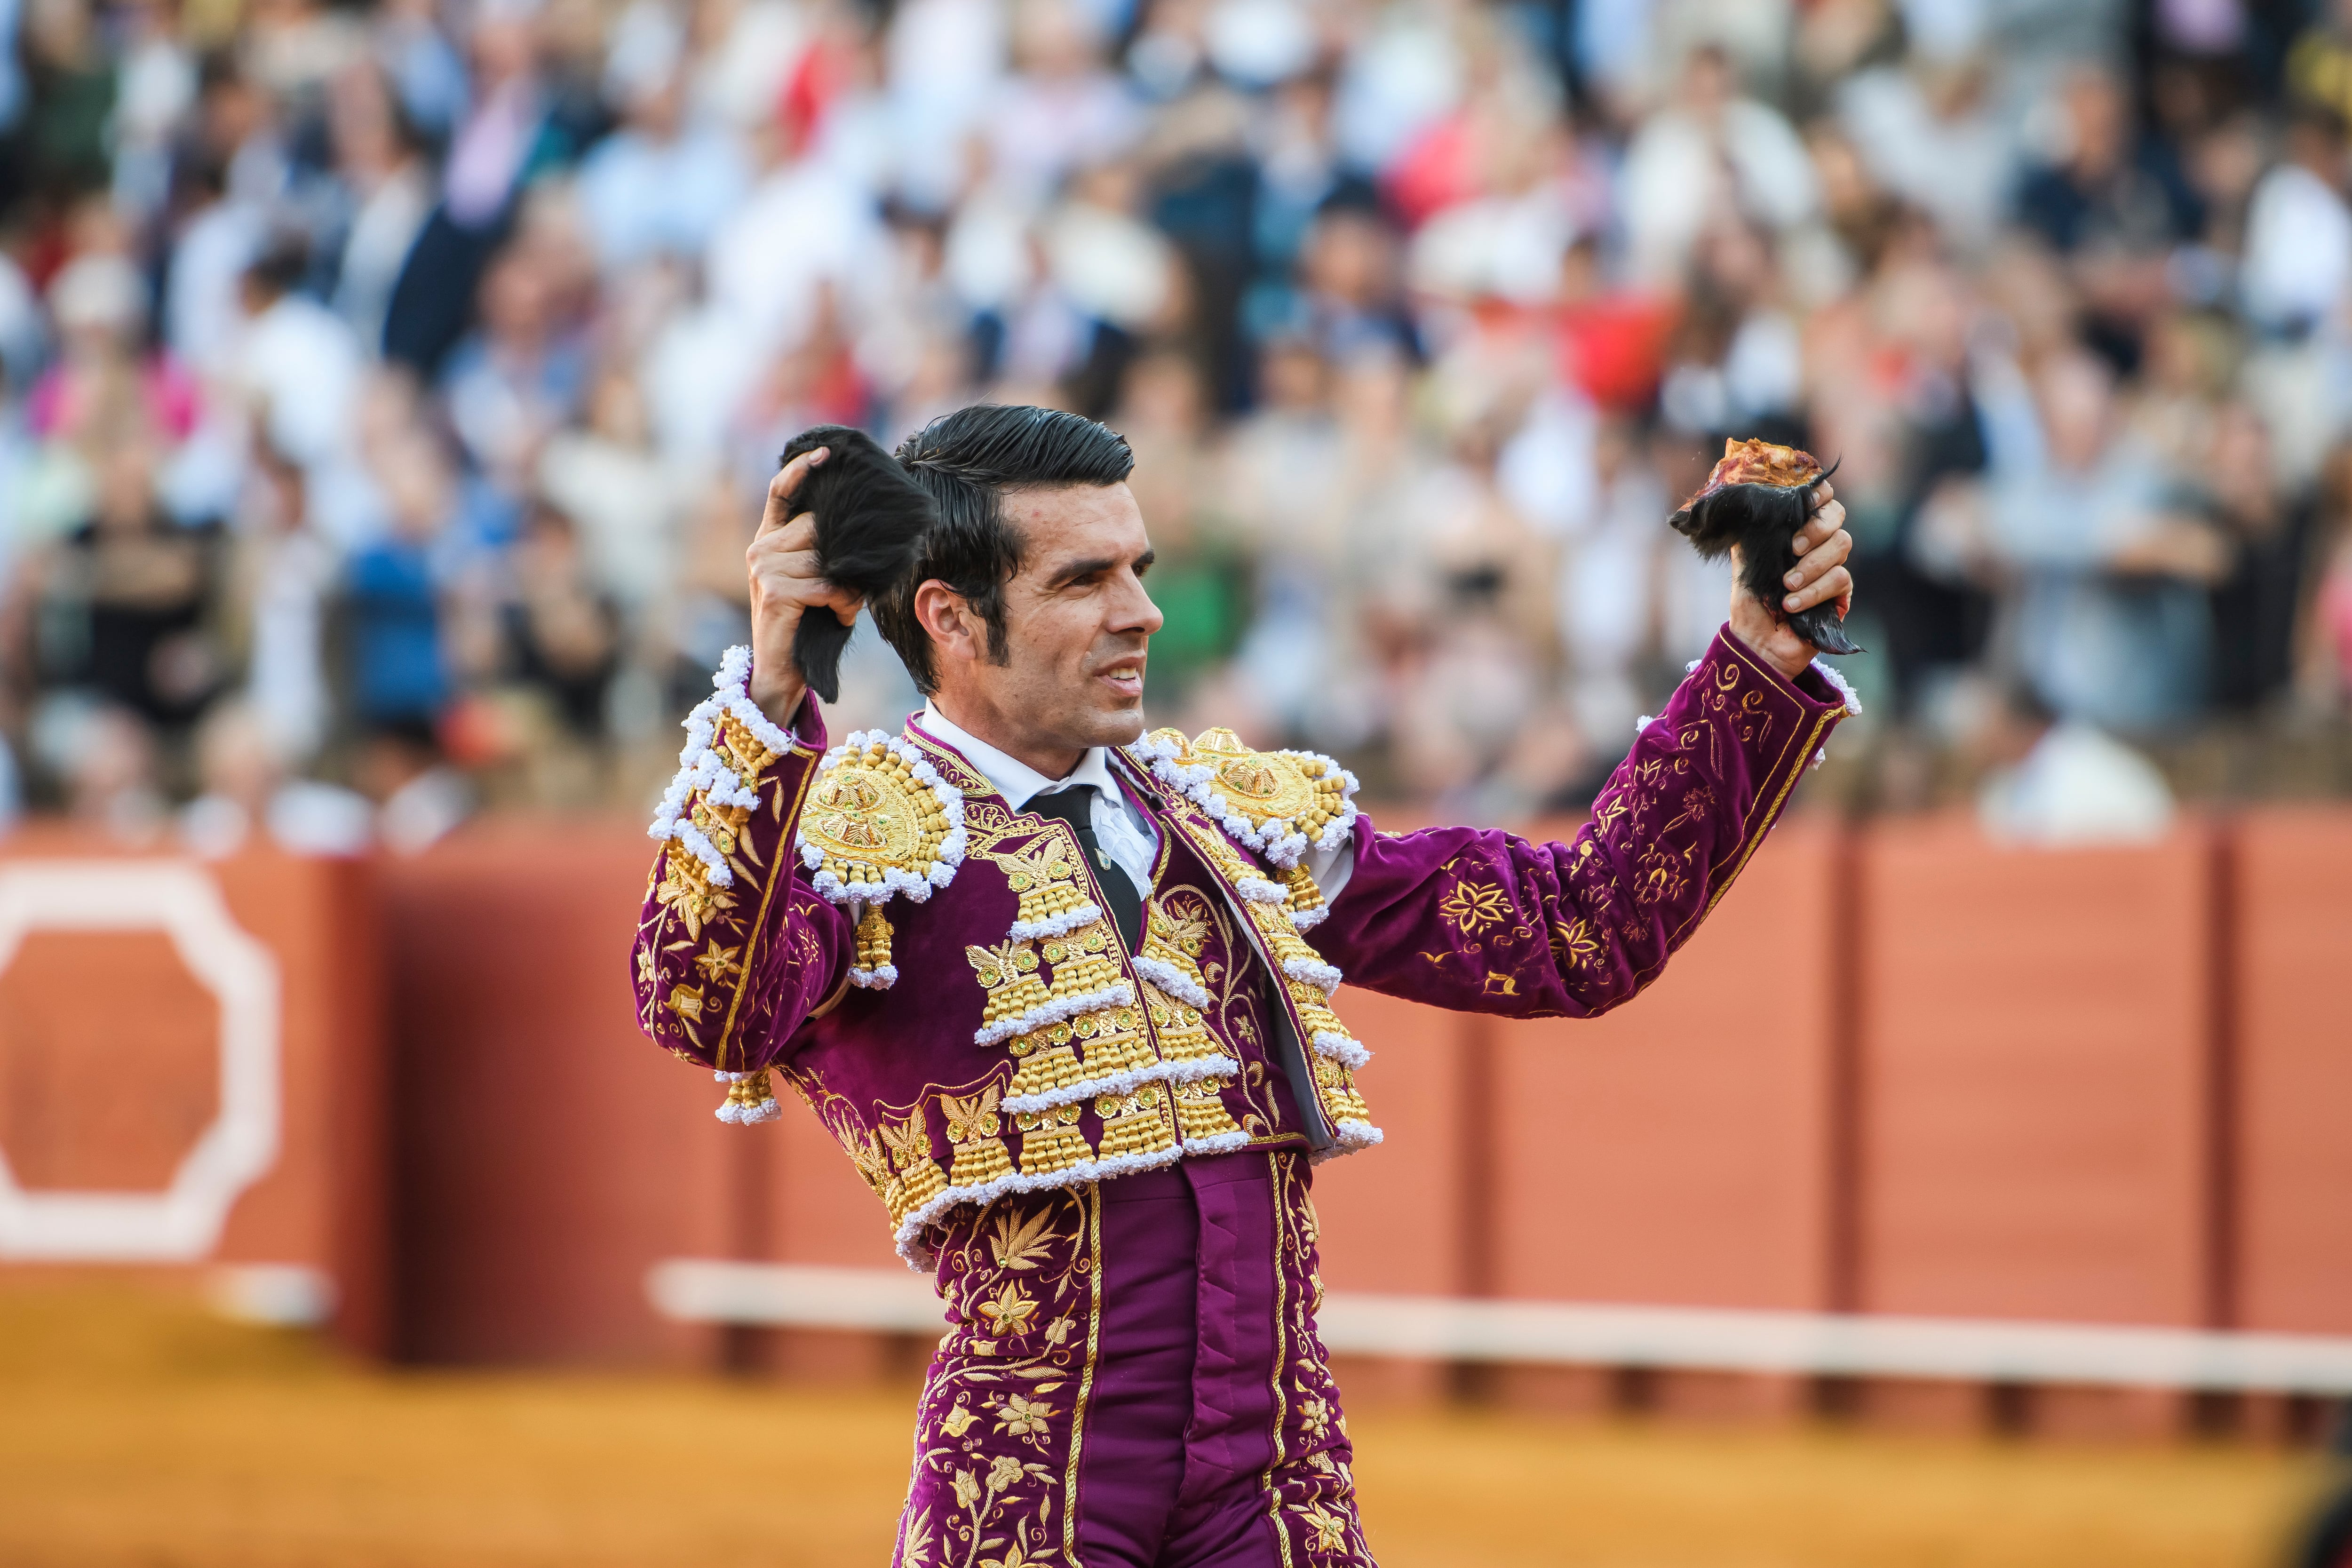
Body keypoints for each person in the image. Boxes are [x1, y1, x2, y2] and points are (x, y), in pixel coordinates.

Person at [629, 404, 1858, 1567]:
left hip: (1278, 1476)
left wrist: (1757, 650)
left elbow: (1576, 929)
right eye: (1084, 580)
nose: (1146, 613)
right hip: (1031, 1481)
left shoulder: (1227, 820)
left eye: (1139, 567)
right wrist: (774, 701)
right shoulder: (856, 831)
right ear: (949, 618)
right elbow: (702, 1003)